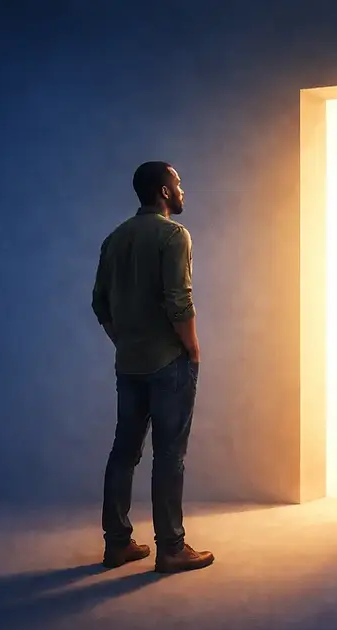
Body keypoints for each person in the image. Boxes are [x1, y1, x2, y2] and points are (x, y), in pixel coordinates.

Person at [91, 161, 215, 573]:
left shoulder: (116, 238)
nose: (183, 191)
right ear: (164, 192)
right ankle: (172, 548)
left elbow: (99, 304)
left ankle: (117, 544)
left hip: (129, 363)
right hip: (168, 361)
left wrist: (123, 341)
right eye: (178, 184)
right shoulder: (174, 235)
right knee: (169, 456)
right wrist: (192, 349)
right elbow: (179, 301)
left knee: (123, 452)